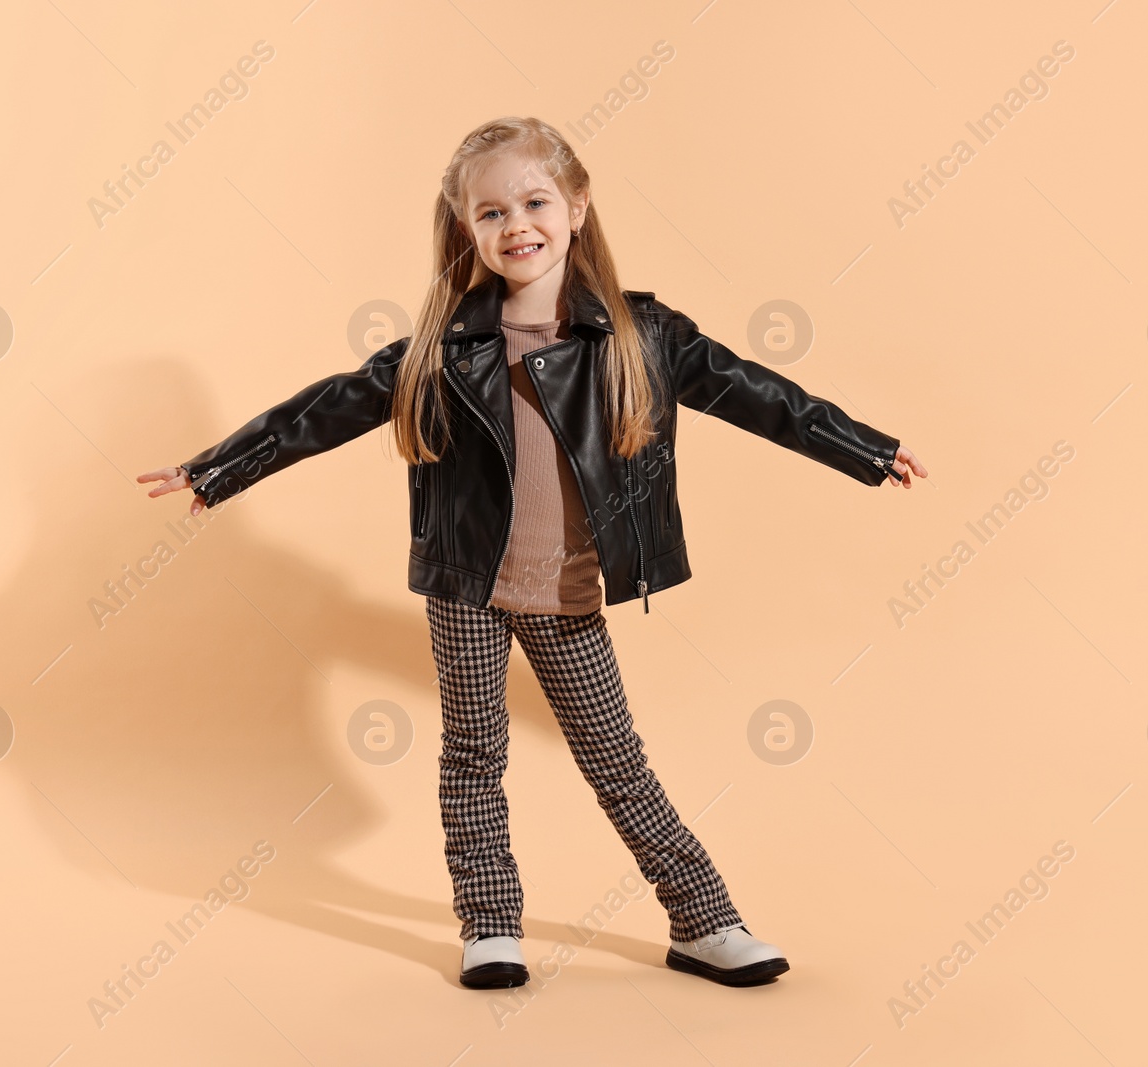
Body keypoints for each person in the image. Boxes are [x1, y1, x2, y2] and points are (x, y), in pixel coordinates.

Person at [140, 115, 928, 991]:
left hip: (569, 590)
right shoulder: (444, 348)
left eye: (534, 200)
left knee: (616, 760)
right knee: (473, 752)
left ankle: (705, 921)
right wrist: (215, 469)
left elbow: (756, 392)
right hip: (467, 586)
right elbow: (327, 408)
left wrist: (861, 446)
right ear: (466, 229)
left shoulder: (644, 334)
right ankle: (489, 925)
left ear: (577, 206)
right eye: (490, 212)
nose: (516, 224)